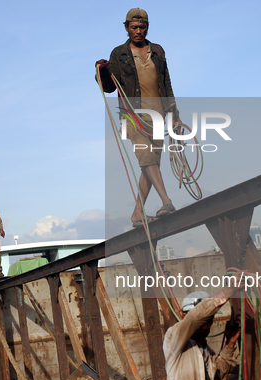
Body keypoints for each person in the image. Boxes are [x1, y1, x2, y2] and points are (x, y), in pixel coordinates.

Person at [95, 8, 178, 228]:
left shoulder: (158, 51)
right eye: (134, 27)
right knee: (147, 158)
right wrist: (103, 72)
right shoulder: (118, 54)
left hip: (158, 115)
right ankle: (167, 202)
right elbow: (111, 87)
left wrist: (174, 115)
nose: (138, 31)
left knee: (151, 165)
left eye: (142, 27)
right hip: (132, 115)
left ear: (147, 28)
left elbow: (166, 84)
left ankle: (137, 214)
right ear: (126, 28)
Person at [163, 287, 242, 380]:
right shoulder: (173, 337)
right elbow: (195, 317)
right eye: (203, 321)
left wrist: (230, 343)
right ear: (184, 316)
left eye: (210, 319)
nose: (206, 326)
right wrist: (228, 290)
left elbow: (217, 373)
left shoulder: (203, 348)